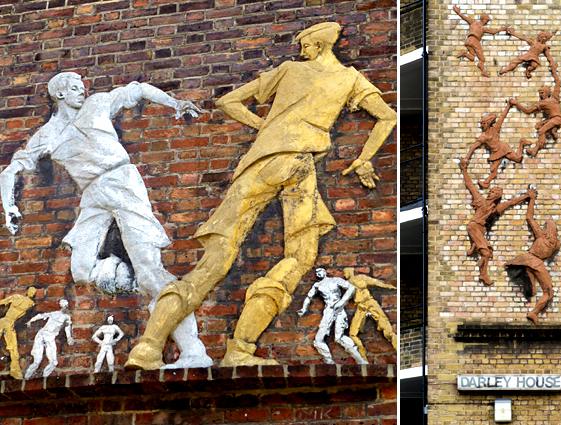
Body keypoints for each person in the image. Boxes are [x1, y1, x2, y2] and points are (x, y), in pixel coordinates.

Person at [125, 22, 397, 369]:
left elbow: (229, 101)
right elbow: (386, 117)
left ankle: (147, 347)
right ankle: (240, 348)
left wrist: (269, 130)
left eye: (305, 45)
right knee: (299, 257)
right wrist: (363, 160)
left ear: (317, 44)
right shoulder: (350, 79)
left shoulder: (288, 71)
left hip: (260, 164)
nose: (301, 51)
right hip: (298, 166)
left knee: (213, 263)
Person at [0, 72, 212, 369]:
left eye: (82, 87)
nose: (81, 92)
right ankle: (148, 285)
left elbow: (136, 90)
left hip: (121, 180)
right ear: (59, 94)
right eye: (74, 88)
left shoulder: (98, 104)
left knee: (151, 271)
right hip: (92, 194)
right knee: (82, 269)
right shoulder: (47, 134)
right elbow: (10, 170)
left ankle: (193, 350)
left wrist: (173, 102)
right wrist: (9, 205)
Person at [460, 158, 533, 286]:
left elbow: (511, 202)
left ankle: (474, 246)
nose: (491, 193)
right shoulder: (480, 201)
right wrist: (464, 169)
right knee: (487, 253)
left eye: (494, 193)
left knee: (486, 249)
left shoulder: (496, 209)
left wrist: (527, 196)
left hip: (481, 229)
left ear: (497, 197)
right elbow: (470, 186)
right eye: (491, 191)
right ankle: (483, 275)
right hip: (474, 227)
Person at [505, 191, 560, 324]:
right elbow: (529, 218)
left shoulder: (549, 240)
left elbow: (530, 217)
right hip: (534, 262)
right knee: (549, 292)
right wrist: (532, 199)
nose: (549, 230)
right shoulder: (547, 239)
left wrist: (532, 199)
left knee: (544, 291)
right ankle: (534, 312)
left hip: (530, 261)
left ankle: (530, 280)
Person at [298, 268, 366, 365]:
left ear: (325, 272)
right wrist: (304, 308)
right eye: (317, 272)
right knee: (318, 340)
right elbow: (309, 297)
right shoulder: (317, 285)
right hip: (328, 310)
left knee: (339, 337)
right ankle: (329, 361)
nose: (318, 273)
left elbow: (351, 288)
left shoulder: (335, 280)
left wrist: (342, 302)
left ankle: (360, 360)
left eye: (320, 271)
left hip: (339, 309)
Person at [463, 101, 528, 190]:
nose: (482, 126)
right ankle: (486, 183)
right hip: (496, 153)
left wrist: (508, 106)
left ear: (488, 123)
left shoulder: (495, 129)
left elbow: (502, 117)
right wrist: (467, 158)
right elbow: (473, 147)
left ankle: (521, 143)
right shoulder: (483, 136)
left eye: (484, 124)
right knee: (494, 170)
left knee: (517, 159)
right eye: (481, 124)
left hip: (503, 148)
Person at [342, 267, 397, 357]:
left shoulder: (361, 278)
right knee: (352, 333)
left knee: (386, 327)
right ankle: (362, 356)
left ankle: (396, 345)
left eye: (345, 272)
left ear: (350, 272)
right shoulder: (346, 284)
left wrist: (388, 286)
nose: (344, 275)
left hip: (370, 303)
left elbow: (375, 282)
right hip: (361, 307)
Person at [509, 73, 561, 157]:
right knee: (538, 125)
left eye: (542, 93)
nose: (540, 95)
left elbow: (528, 111)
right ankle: (553, 131)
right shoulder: (554, 98)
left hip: (555, 119)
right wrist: (553, 69)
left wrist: (516, 103)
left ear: (547, 93)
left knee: (541, 131)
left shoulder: (543, 103)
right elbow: (558, 82)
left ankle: (535, 150)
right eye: (540, 93)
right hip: (555, 119)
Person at [24, 299, 72, 379]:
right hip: (42, 335)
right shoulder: (54, 314)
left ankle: (44, 378)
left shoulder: (67, 317)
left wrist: (69, 337)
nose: (65, 307)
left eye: (66, 305)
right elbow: (41, 316)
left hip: (50, 338)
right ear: (61, 306)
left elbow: (67, 328)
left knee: (53, 362)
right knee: (37, 361)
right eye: (63, 305)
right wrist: (30, 321)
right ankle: (26, 377)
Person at [453, 5, 506, 77]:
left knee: (472, 57)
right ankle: (483, 71)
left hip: (468, 41)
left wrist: (458, 13)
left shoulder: (472, 22)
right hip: (475, 41)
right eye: (487, 20)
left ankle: (464, 54)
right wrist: (502, 29)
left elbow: (464, 18)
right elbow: (493, 31)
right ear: (483, 19)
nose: (487, 22)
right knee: (482, 59)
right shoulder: (482, 28)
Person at [0, 288, 36, 379]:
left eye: (33, 292)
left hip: (10, 324)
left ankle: (15, 370)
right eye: (31, 291)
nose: (32, 293)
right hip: (5, 321)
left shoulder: (30, 303)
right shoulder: (19, 298)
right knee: (12, 347)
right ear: (27, 292)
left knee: (13, 347)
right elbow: (3, 302)